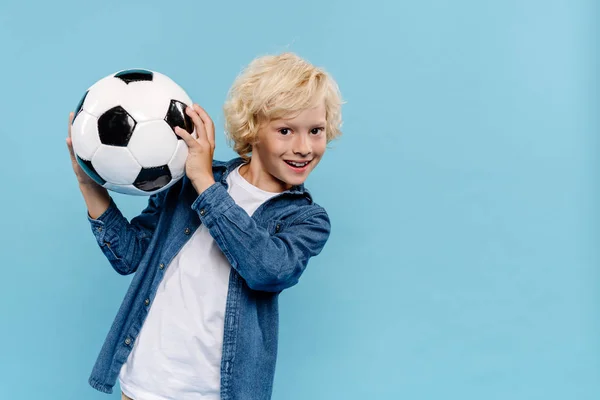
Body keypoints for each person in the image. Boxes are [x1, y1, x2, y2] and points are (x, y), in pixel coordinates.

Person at [65, 52, 343, 400]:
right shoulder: (185, 183)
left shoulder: (306, 219)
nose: (303, 147)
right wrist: (89, 185)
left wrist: (204, 182)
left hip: (217, 392)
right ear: (253, 129)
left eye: (315, 131)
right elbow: (130, 257)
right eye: (285, 130)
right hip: (143, 387)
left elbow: (266, 270)